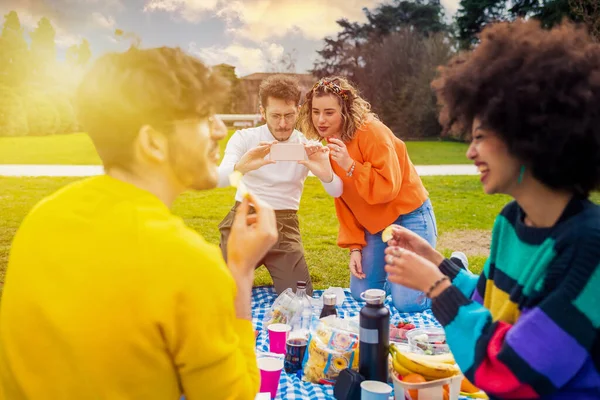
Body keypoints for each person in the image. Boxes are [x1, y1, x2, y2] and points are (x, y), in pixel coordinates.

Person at [0, 47, 278, 400]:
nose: (220, 130)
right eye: (204, 117)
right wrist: (240, 272)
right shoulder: (188, 264)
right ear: (153, 142)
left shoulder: (42, 216)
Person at [384, 19, 600, 398]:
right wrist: (437, 262)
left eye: (480, 137)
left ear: (528, 133)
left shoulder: (589, 246)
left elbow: (512, 371)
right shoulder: (510, 222)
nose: (470, 152)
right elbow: (489, 303)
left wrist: (435, 288)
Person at [297, 77, 437, 312]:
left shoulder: (372, 132)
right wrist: (354, 246)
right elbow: (343, 199)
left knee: (408, 304)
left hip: (409, 216)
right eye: (316, 111)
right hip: (374, 226)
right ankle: (402, 278)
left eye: (329, 112)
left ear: (345, 111)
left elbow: (388, 189)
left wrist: (350, 165)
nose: (321, 120)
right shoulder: (328, 143)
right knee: (362, 294)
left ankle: (451, 273)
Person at [218, 74, 342, 295]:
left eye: (289, 115)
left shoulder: (308, 145)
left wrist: (326, 173)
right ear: (262, 112)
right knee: (220, 292)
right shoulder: (244, 138)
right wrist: (242, 166)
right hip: (244, 219)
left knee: (299, 298)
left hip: (285, 225)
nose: (282, 124)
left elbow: (337, 190)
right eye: (275, 116)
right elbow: (218, 179)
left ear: (299, 110)